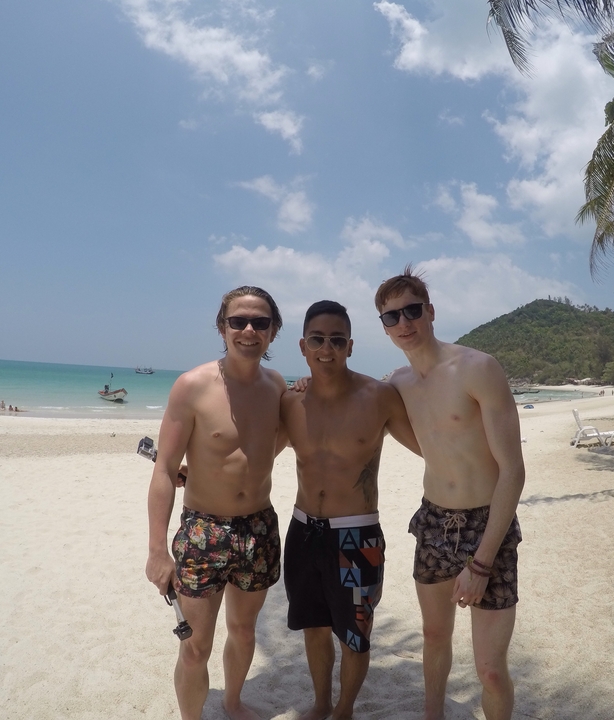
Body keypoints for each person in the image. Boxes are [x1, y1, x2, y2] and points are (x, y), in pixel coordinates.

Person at [374, 267, 525, 720]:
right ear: (383, 326)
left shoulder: (477, 368)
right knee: (434, 637)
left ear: (431, 311)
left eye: (412, 310)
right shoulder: (397, 383)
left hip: (488, 523)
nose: (404, 322)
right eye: (391, 316)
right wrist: (301, 386)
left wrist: (481, 562)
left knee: (490, 669)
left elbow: (513, 472)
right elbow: (351, 401)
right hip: (434, 522)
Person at [146, 286, 287, 720]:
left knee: (244, 632)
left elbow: (267, 445)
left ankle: (232, 702)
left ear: (273, 330)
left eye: (259, 322)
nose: (248, 330)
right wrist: (156, 551)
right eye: (237, 321)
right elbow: (165, 469)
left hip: (259, 528)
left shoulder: (277, 386)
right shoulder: (192, 386)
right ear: (221, 327)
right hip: (203, 529)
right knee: (194, 647)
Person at [281, 300, 421, 720]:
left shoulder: (379, 397)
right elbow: (248, 453)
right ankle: (322, 704)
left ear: (351, 346)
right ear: (303, 346)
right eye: (319, 340)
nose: (328, 349)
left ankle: (344, 710)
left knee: (355, 635)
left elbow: (430, 447)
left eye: (337, 340)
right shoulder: (290, 402)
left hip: (356, 535)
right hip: (303, 531)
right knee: (314, 628)